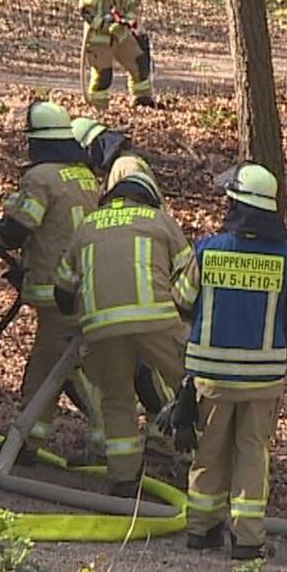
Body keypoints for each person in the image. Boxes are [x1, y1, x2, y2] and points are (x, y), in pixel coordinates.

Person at [168, 163, 287, 560]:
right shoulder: (285, 257)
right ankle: (247, 540)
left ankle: (201, 530)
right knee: (252, 453)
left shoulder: (208, 250)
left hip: (211, 377)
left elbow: (181, 298)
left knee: (209, 451)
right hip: (263, 381)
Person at [53, 160, 191, 496]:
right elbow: (190, 275)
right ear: (149, 197)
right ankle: (201, 466)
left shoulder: (87, 226)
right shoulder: (160, 221)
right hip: (155, 319)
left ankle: (123, 478)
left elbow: (63, 289)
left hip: (100, 326)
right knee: (190, 384)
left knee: (116, 396)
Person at [0, 100, 101, 463]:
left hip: (55, 289)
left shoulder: (40, 178)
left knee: (47, 368)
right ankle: (93, 437)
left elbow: (21, 227)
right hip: (84, 285)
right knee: (69, 363)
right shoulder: (84, 175)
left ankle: (25, 444)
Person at [77, 0, 154, 111]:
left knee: (140, 64)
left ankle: (142, 100)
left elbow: (132, 5)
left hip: (121, 34)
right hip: (99, 39)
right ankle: (99, 108)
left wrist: (129, 20)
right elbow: (87, 12)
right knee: (103, 76)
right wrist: (106, 25)